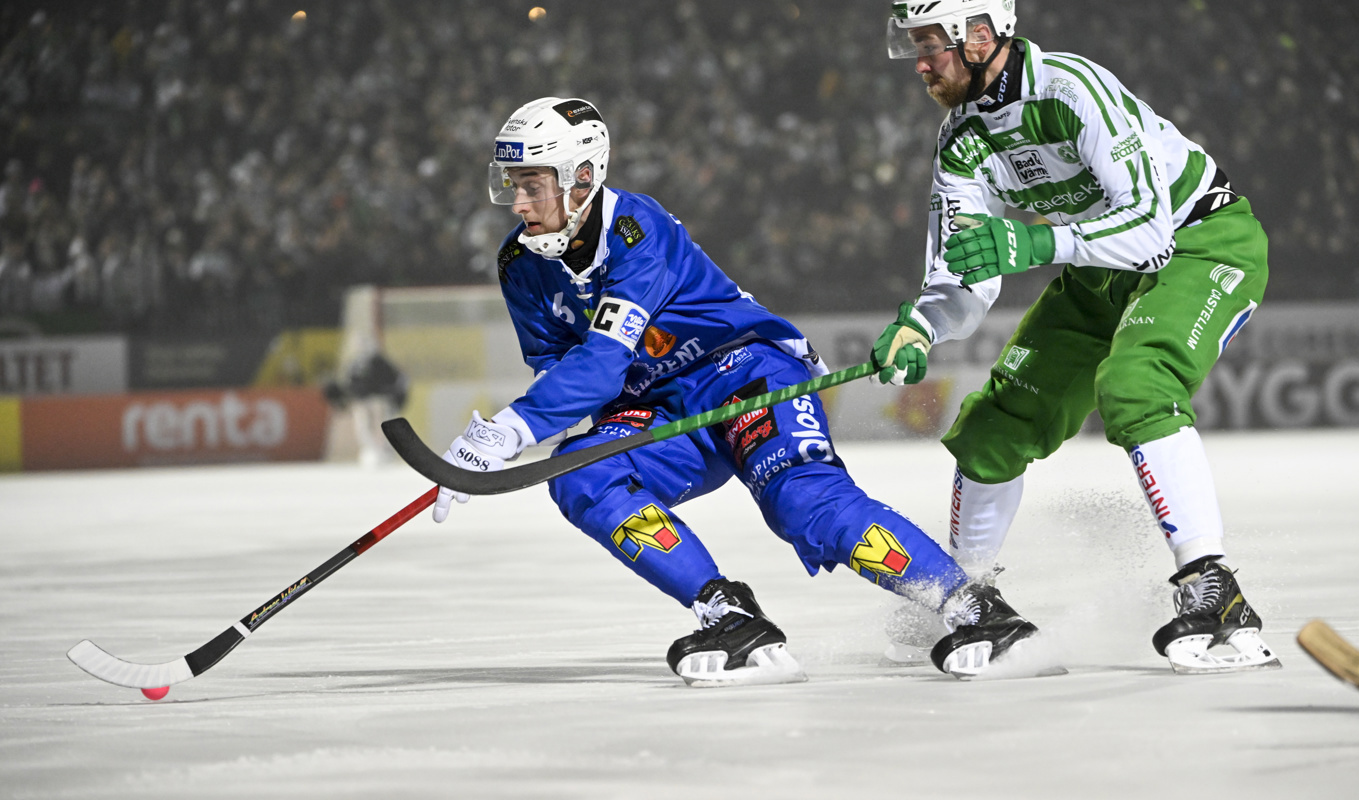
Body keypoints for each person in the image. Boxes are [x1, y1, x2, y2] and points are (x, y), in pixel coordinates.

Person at [432, 96, 1044, 685]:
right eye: (511, 183)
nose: (517, 201)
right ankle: (729, 617)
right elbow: (561, 369)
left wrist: (509, 429)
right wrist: (519, 437)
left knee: (802, 502)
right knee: (579, 472)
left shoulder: (637, 229)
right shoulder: (520, 264)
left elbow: (602, 360)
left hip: (746, 373)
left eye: (531, 184)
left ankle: (974, 607)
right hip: (659, 408)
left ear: (583, 176)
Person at [870, 0, 1280, 673]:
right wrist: (921, 325)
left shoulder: (1069, 89)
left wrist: (1032, 239)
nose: (917, 63)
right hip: (1098, 269)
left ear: (979, 35)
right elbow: (964, 269)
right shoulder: (960, 141)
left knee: (1135, 385)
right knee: (993, 426)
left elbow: (1149, 233)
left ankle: (1215, 591)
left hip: (1198, 242)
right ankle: (967, 597)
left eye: (929, 46)